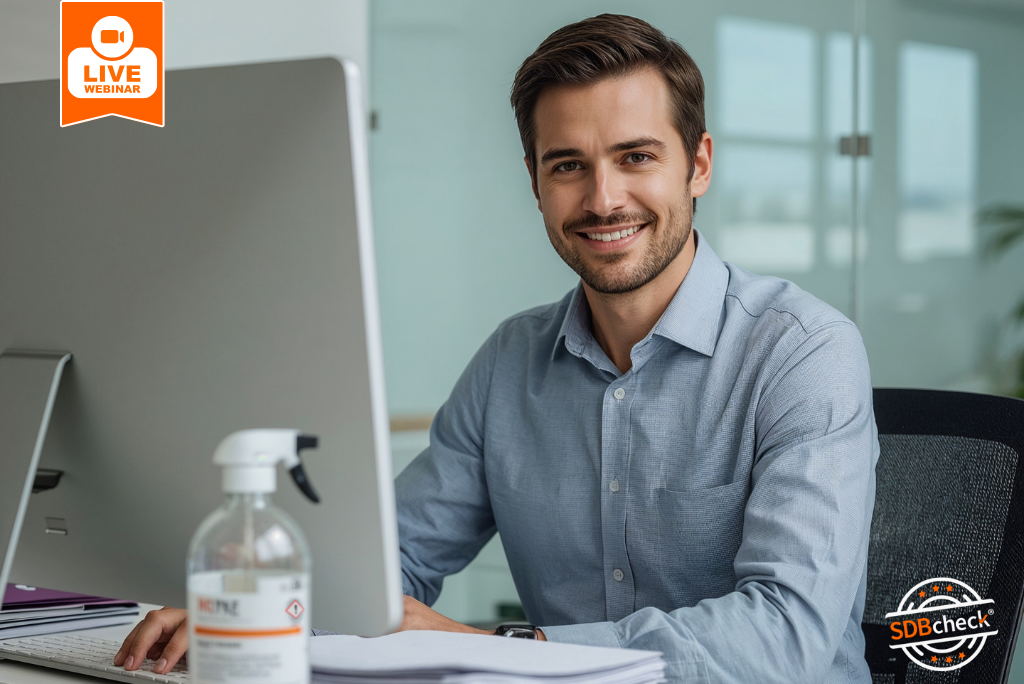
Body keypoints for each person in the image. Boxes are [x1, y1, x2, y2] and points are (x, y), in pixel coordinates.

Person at [115, 14, 878, 684]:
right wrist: (256, 606)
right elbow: (391, 564)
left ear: (698, 164)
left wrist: (511, 648)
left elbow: (788, 639)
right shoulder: (511, 362)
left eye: (636, 157)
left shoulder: (802, 354)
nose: (604, 198)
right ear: (535, 183)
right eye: (568, 165)